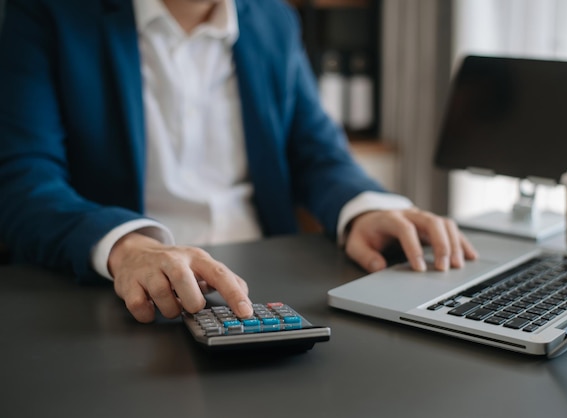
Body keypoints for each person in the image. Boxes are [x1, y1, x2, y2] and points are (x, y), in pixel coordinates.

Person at [0, 0, 477, 323]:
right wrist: (129, 248)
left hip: (267, 285)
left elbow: (316, 151)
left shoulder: (272, 18)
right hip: (126, 297)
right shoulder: (48, 15)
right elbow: (23, 182)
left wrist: (366, 208)